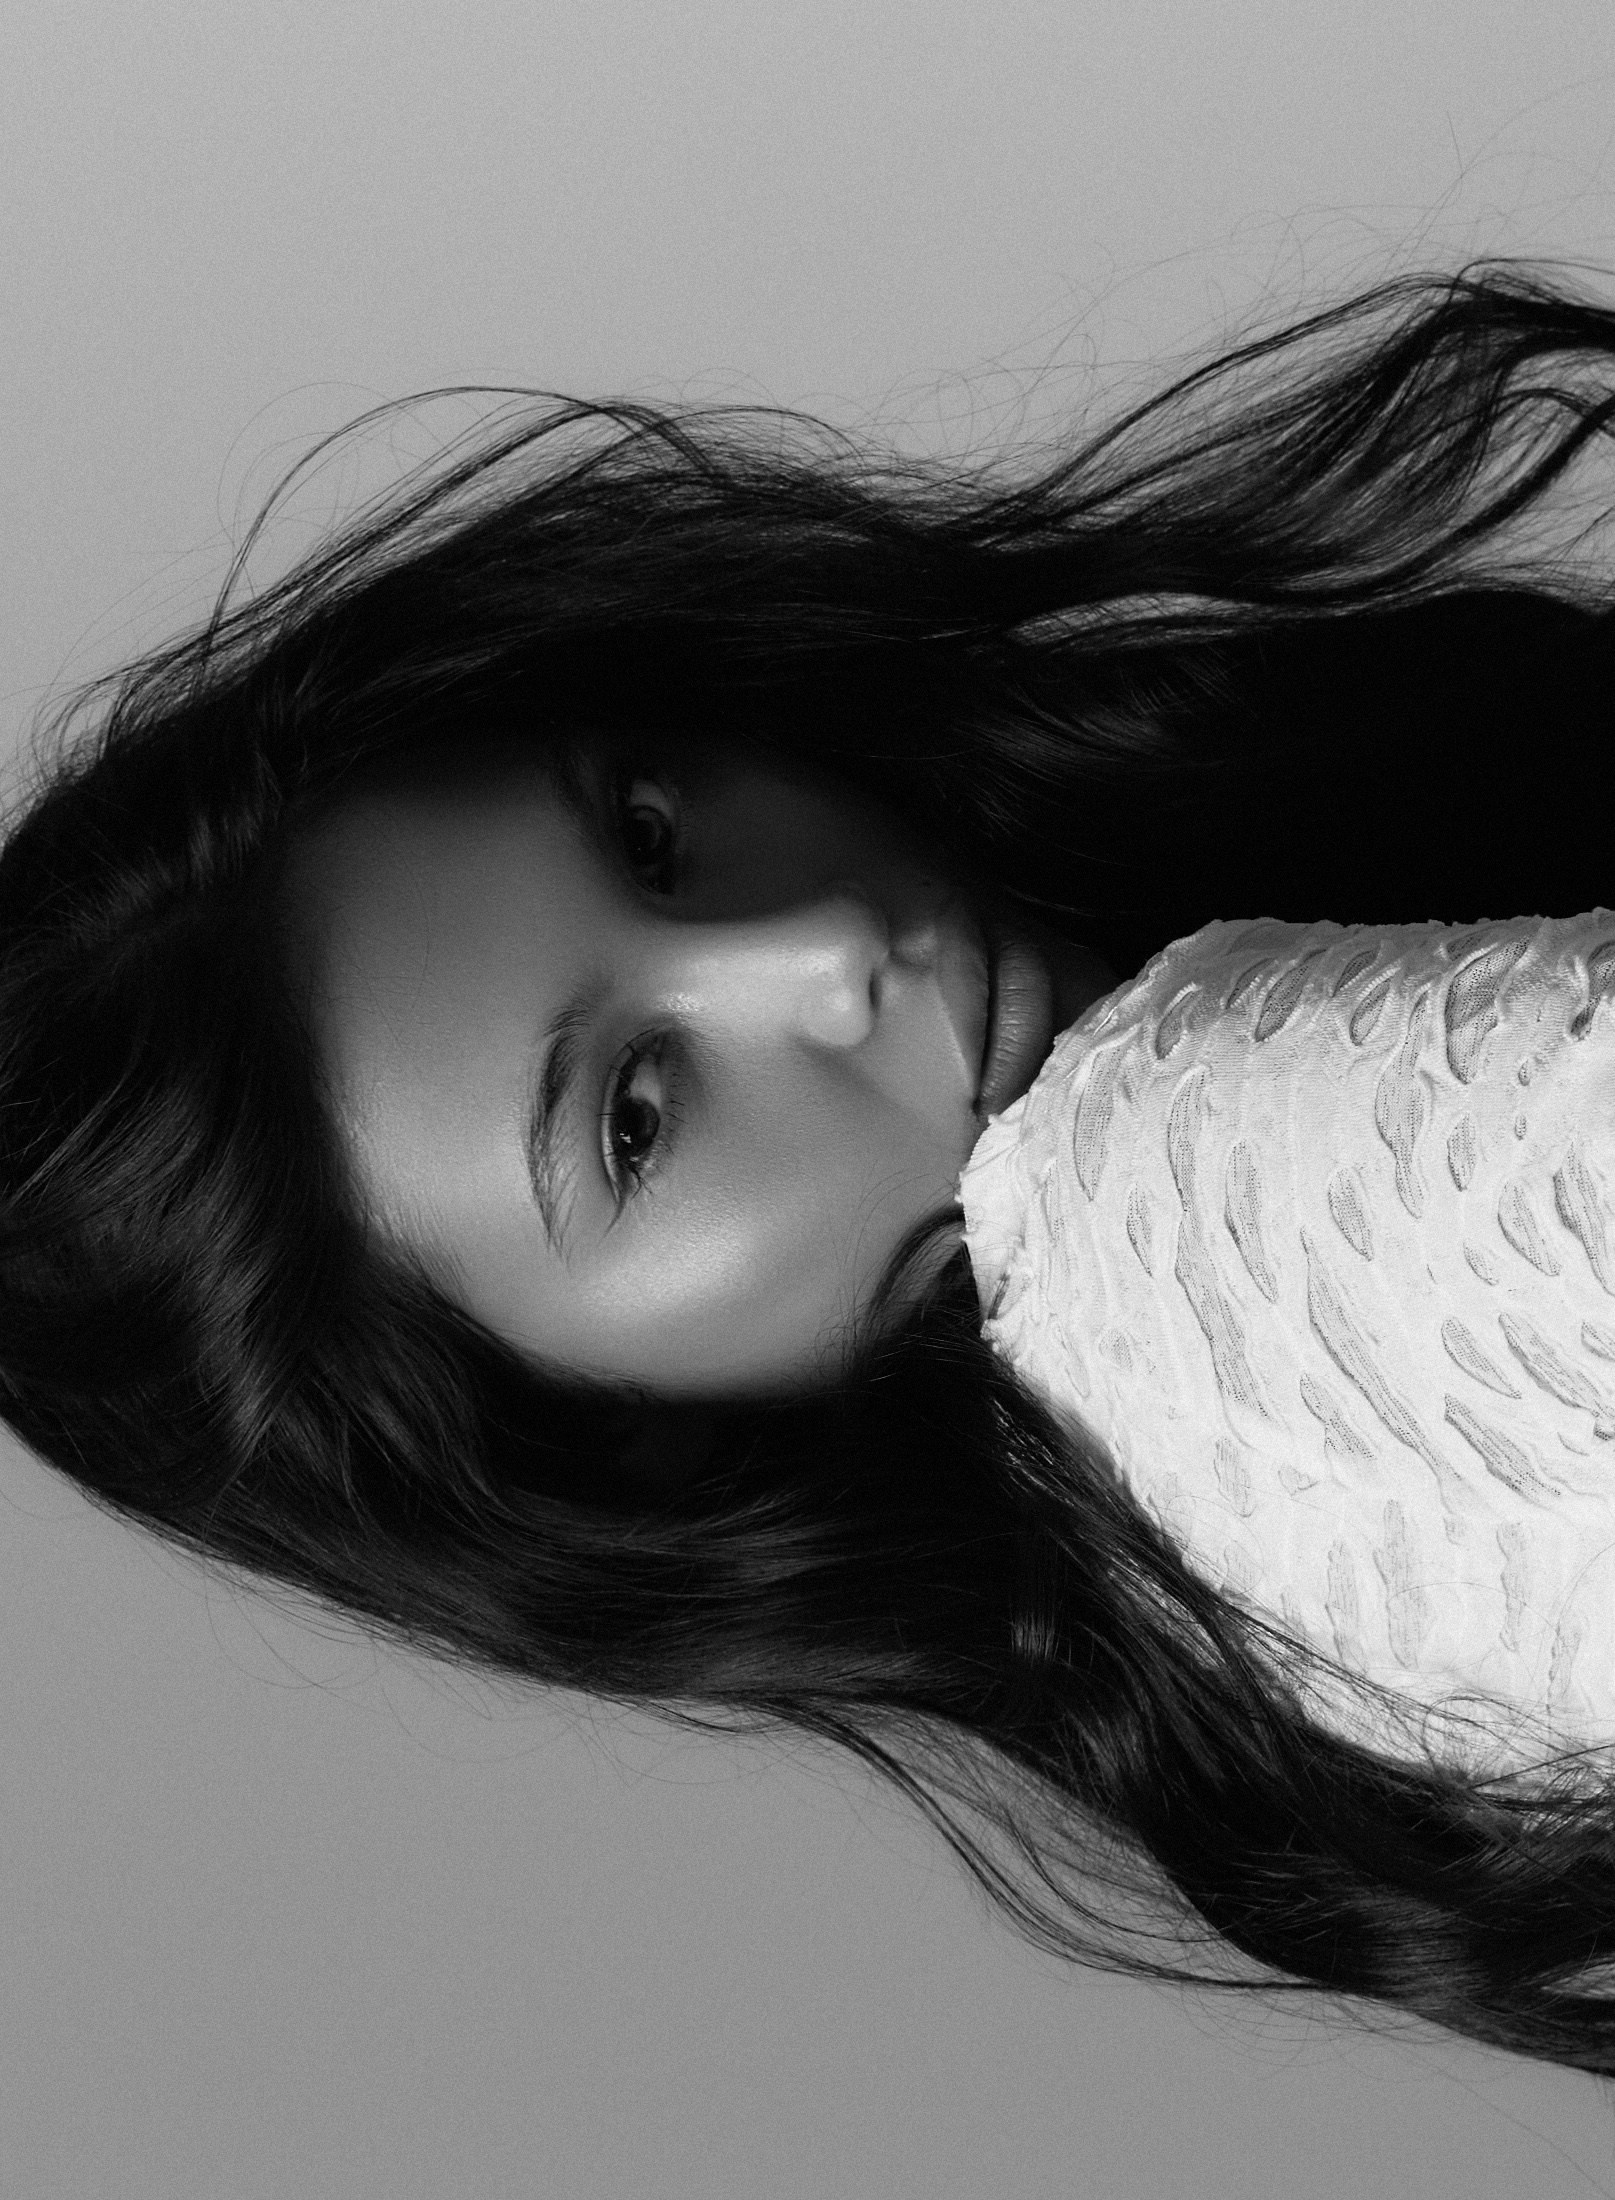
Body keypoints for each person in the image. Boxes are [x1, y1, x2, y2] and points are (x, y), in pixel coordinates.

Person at [7, 259, 1615, 2073]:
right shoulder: (1221, 1198)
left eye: (655, 832)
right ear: (615, 1438)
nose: (825, 950)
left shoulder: (1236, 1701)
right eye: (635, 1117)